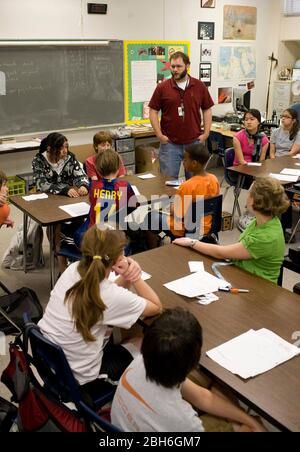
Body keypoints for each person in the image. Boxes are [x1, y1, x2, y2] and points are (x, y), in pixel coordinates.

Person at [38, 225, 162, 394]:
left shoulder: (72, 269)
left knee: (120, 331)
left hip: (51, 359)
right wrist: (135, 276)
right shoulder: (109, 296)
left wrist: (125, 276)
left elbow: (106, 294)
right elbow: (156, 307)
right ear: (117, 258)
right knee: (143, 341)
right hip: (84, 380)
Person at [111, 308, 266, 432]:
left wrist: (246, 420)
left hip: (124, 424)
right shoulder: (184, 421)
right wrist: (250, 423)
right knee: (253, 424)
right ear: (194, 363)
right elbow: (201, 399)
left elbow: (202, 396)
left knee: (216, 388)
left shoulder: (143, 361)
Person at [174, 177, 290, 284]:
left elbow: (221, 253)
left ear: (256, 201)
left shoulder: (265, 237)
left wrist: (192, 242)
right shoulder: (268, 221)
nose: (247, 196)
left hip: (257, 286)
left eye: (249, 193)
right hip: (246, 274)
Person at [149, 51, 214, 178]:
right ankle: (169, 199)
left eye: (179, 66)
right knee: (167, 182)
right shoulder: (162, 87)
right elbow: (153, 111)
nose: (175, 70)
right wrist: (159, 135)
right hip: (170, 144)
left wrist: (206, 133)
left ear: (187, 66)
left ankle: (193, 199)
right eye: (172, 66)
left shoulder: (199, 86)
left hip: (194, 143)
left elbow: (207, 109)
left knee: (195, 181)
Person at [141, 143, 219, 248]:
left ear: (194, 163)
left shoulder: (187, 186)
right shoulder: (214, 179)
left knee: (149, 216)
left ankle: (153, 250)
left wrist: (171, 206)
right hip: (208, 226)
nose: (183, 162)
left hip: (184, 229)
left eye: (185, 160)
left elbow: (177, 213)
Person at [32, 132, 89, 273]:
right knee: (55, 223)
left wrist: (82, 185)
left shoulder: (70, 157)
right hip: (48, 201)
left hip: (69, 199)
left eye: (67, 147)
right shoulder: (39, 160)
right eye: (62, 148)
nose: (65, 151)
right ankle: (59, 254)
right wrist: (65, 189)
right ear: (50, 148)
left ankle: (70, 250)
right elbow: (41, 184)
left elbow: (81, 175)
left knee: (79, 219)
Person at [74, 149, 136, 247]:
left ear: (98, 169)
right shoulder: (124, 186)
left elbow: (92, 201)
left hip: (93, 233)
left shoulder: (93, 185)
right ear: (118, 168)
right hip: (114, 234)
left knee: (77, 235)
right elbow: (133, 206)